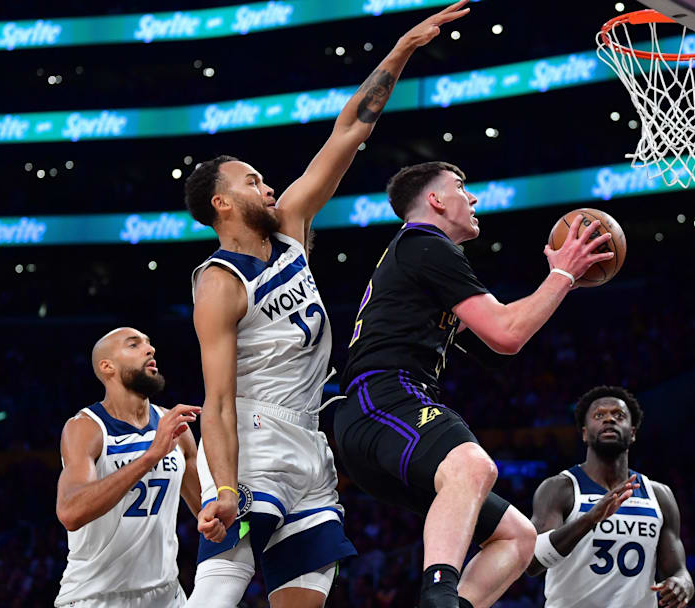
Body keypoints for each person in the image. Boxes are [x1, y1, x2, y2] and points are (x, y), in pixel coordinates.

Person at [182, 4, 473, 606]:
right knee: (219, 587)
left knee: (306, 598)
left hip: (312, 442)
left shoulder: (290, 228)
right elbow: (216, 400)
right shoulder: (218, 280)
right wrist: (226, 486)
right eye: (250, 181)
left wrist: (402, 49)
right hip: (253, 438)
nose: (266, 186)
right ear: (221, 205)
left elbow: (349, 132)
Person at [335, 161, 616, 608]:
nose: (473, 198)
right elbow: (507, 332)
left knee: (518, 538)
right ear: (435, 200)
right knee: (473, 466)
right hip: (383, 399)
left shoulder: (417, 257)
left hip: (378, 419)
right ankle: (438, 597)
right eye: (462, 187)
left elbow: (499, 342)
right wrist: (561, 274)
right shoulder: (425, 243)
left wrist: (560, 286)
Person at [55, 327, 202, 608]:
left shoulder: (175, 427)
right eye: (134, 345)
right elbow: (71, 512)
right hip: (97, 597)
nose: (150, 349)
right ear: (107, 366)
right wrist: (150, 457)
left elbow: (206, 511)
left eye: (149, 343)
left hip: (166, 594)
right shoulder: (86, 428)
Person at [526, 386, 694, 608]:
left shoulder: (659, 495)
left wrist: (682, 584)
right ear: (585, 433)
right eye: (599, 415)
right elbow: (533, 562)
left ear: (632, 432)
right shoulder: (560, 488)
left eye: (619, 415)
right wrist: (589, 519)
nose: (609, 420)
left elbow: (679, 571)